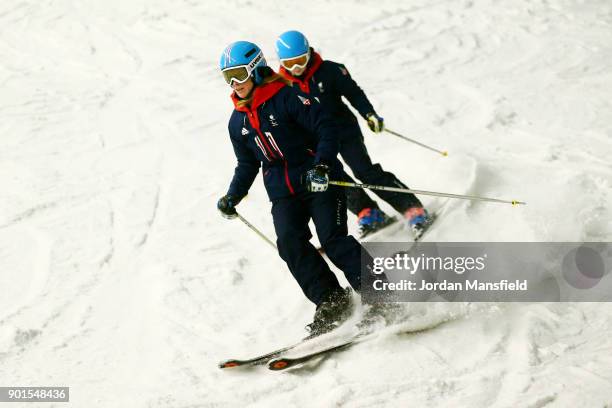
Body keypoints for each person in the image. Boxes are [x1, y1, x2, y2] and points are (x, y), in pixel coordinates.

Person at [217, 41, 382, 335]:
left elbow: (326, 128)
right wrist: (233, 195)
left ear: (255, 70)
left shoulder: (288, 97)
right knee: (290, 243)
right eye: (227, 77)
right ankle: (330, 300)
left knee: (333, 240)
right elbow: (246, 164)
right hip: (283, 192)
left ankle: (381, 294)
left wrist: (322, 166)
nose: (234, 83)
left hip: (319, 181)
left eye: (239, 74)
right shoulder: (237, 121)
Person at [275, 30, 433, 239]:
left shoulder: (330, 70)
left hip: (344, 130)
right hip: (316, 140)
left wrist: (369, 114)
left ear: (309, 53)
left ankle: (412, 208)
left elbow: (354, 93)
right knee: (334, 178)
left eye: (301, 60)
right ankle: (368, 212)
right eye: (290, 64)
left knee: (364, 171)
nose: (296, 68)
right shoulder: (281, 86)